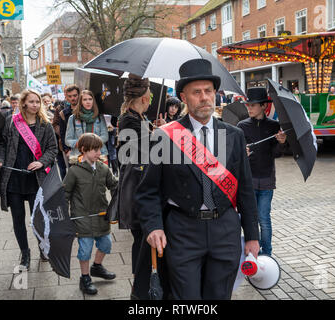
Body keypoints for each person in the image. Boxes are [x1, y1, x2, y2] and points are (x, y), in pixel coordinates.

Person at [135, 59, 260, 300]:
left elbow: (245, 189)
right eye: (196, 92)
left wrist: (253, 236)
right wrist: (153, 226)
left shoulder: (234, 135)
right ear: (184, 97)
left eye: (208, 91)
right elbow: (147, 191)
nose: (204, 98)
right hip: (183, 230)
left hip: (225, 229)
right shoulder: (166, 137)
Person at [0, 89, 58, 270]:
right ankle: (25, 254)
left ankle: (42, 247)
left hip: (36, 179)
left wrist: (41, 162)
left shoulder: (45, 125)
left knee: (38, 219)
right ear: (24, 103)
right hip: (14, 178)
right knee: (18, 219)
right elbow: (2, 144)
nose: (35, 105)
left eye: (37, 102)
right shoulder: (12, 122)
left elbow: (53, 149)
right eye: (31, 102)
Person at [115, 74, 165, 299]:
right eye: (150, 95)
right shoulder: (130, 120)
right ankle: (139, 285)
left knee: (142, 237)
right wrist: (159, 136)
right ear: (144, 98)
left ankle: (141, 282)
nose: (151, 99)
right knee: (140, 238)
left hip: (138, 180)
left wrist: (157, 131)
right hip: (135, 184)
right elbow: (141, 151)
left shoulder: (138, 117)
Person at [63, 133, 118, 295]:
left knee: (106, 244)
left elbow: (114, 185)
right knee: (85, 250)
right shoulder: (74, 171)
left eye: (99, 149)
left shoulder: (103, 168)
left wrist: (123, 192)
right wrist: (62, 215)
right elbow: (65, 194)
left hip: (101, 216)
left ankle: (97, 267)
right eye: (94, 150)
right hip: (82, 218)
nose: (98, 153)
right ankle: (85, 277)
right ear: (83, 150)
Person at [237, 87, 287, 256]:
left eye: (252, 105)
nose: (249, 108)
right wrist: (242, 154)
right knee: (249, 219)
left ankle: (267, 253)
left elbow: (276, 154)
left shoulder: (274, 126)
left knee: (264, 219)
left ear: (264, 106)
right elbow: (235, 157)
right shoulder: (241, 126)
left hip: (266, 180)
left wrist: (280, 142)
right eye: (247, 105)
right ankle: (253, 252)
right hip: (247, 181)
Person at [65, 90, 109, 161]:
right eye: (85, 99)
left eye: (90, 99)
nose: (88, 102)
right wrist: (82, 143)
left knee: (101, 172)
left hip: (99, 155)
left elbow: (105, 136)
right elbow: (68, 140)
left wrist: (92, 143)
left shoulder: (99, 117)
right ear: (81, 102)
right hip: (80, 155)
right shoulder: (73, 118)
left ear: (93, 101)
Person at [52, 84, 80, 174]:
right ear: (66, 97)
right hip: (72, 148)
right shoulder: (63, 112)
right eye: (70, 96)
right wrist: (66, 150)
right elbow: (63, 132)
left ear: (79, 95)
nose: (73, 98)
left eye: (75, 95)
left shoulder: (85, 110)